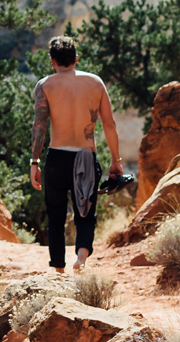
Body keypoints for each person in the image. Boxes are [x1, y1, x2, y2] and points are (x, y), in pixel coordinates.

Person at [30, 35, 122, 273]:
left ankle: (58, 269)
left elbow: (39, 125)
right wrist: (115, 161)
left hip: (57, 157)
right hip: (85, 156)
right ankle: (81, 259)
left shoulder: (44, 85)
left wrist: (34, 162)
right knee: (86, 212)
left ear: (52, 61)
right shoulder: (95, 83)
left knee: (56, 215)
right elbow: (109, 124)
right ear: (76, 59)